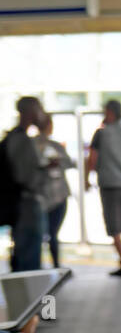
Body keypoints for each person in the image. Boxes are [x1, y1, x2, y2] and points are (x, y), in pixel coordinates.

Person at [86, 100, 121, 277]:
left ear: (110, 112)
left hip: (110, 184)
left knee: (114, 227)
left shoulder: (101, 134)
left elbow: (92, 159)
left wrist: (87, 178)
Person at [3, 97, 50, 272]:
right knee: (28, 259)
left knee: (25, 254)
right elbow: (24, 176)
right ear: (31, 112)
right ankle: (26, 298)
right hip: (27, 204)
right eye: (39, 109)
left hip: (23, 202)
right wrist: (42, 170)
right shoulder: (20, 139)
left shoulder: (16, 137)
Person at [35, 114, 74, 269]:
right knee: (50, 233)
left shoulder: (55, 146)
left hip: (53, 195)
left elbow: (68, 163)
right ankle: (49, 265)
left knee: (50, 232)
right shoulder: (36, 145)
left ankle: (52, 265)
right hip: (48, 196)